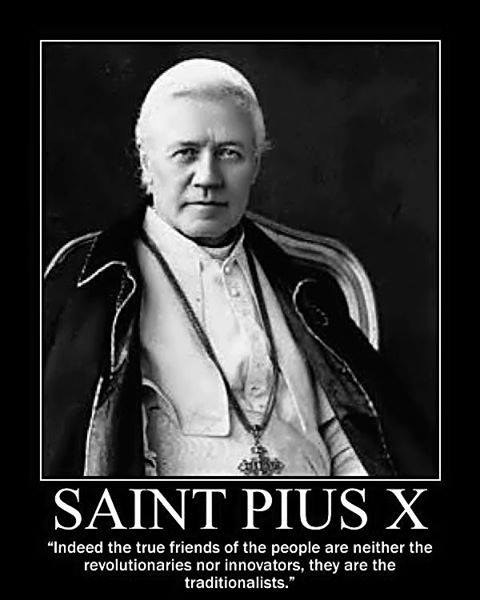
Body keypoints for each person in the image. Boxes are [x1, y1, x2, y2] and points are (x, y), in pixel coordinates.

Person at [43, 58, 431, 478]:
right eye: (185, 153)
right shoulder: (93, 287)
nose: (208, 177)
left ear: (256, 165)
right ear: (147, 161)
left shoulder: (305, 287)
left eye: (229, 153)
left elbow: (349, 440)